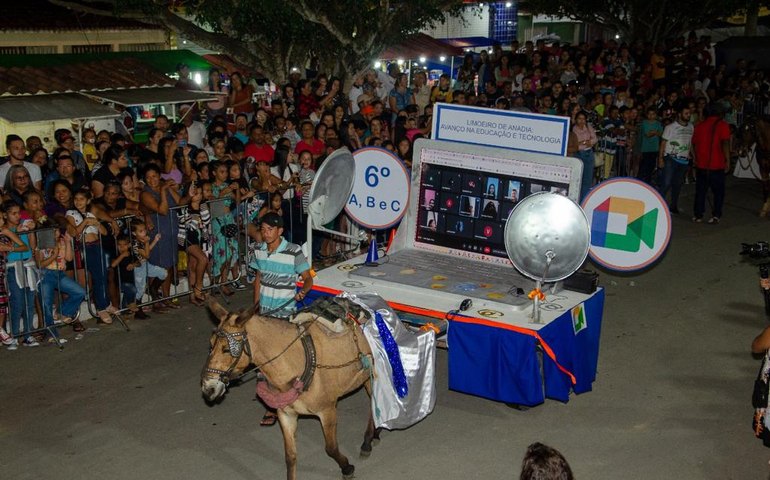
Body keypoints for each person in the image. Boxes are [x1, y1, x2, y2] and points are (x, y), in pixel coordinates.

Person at [250, 211, 313, 427]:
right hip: (265, 314)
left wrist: (303, 291)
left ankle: (285, 402)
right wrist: (256, 306)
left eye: (270, 230)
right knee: (264, 362)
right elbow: (258, 278)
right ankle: (272, 407)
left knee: (281, 362)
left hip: (285, 315)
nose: (266, 234)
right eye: (263, 229)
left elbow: (307, 279)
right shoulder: (258, 251)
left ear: (280, 231)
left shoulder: (293, 251)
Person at [691, 102, 731, 224]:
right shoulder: (723, 125)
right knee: (718, 192)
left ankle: (698, 215)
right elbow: (725, 143)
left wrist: (696, 158)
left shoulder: (699, 126)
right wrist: (727, 160)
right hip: (717, 164)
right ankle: (716, 215)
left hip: (702, 164)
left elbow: (693, 143)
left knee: (701, 191)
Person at [657, 102, 693, 214]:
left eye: (689, 113)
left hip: (683, 159)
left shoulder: (691, 127)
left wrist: (692, 155)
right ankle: (660, 206)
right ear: (679, 114)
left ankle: (673, 206)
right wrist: (661, 158)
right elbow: (663, 143)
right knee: (666, 183)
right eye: (686, 113)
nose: (688, 115)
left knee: (677, 184)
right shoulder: (670, 127)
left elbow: (690, 142)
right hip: (671, 158)